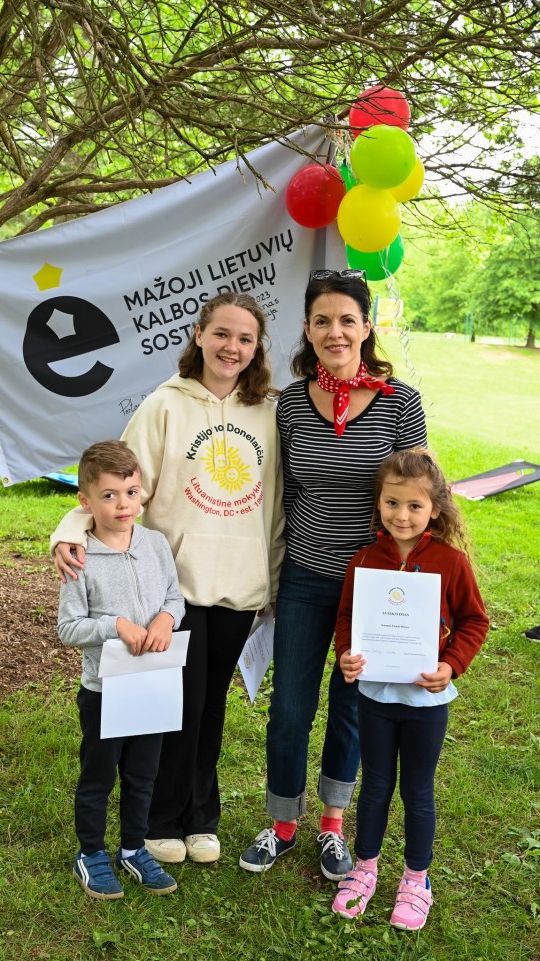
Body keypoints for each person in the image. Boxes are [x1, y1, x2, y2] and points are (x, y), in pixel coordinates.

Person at [52, 292, 285, 865]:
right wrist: (68, 528)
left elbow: (277, 503)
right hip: (172, 588)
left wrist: (273, 580)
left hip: (241, 584)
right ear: (199, 335)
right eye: (221, 333)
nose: (232, 347)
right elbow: (117, 483)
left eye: (245, 338)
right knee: (177, 705)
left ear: (257, 348)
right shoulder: (164, 405)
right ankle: (160, 819)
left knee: (212, 707)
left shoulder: (269, 412)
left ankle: (202, 818)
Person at [240, 268, 427, 879]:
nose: (335, 331)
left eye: (347, 320)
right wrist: (269, 572)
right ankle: (281, 824)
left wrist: (419, 584)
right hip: (305, 575)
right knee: (290, 708)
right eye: (322, 320)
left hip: (372, 586)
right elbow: (280, 492)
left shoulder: (401, 403)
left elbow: (420, 495)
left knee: (351, 706)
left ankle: (331, 826)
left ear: (367, 327)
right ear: (307, 328)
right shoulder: (291, 404)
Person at [331, 447, 489, 930]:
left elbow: (475, 621)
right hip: (375, 699)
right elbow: (347, 617)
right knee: (376, 785)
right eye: (392, 503)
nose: (402, 515)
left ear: (434, 509)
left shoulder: (450, 562)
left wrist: (451, 665)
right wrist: (346, 653)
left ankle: (417, 879)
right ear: (378, 503)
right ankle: (365, 868)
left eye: (414, 506)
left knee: (418, 790)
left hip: (426, 701)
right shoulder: (365, 559)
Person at [57, 440, 185, 899]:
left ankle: (133, 848)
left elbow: (174, 597)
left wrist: (167, 618)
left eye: (131, 492)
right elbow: (68, 628)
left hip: (152, 684)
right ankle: (90, 852)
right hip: (104, 689)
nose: (123, 504)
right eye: (109, 495)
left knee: (143, 774)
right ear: (85, 501)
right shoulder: (78, 557)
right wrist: (116, 626)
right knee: (99, 775)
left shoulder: (155, 545)